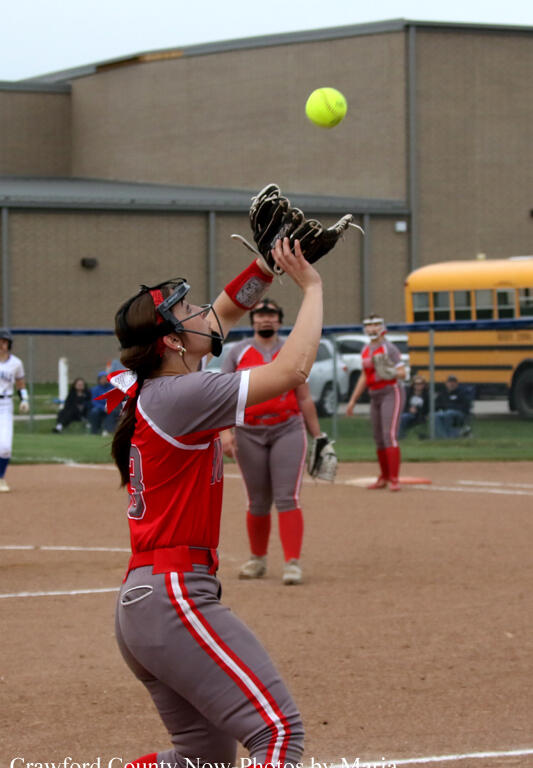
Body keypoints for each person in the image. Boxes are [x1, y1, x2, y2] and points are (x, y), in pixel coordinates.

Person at [108, 238, 324, 768]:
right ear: (172, 343)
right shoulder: (182, 394)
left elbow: (226, 308)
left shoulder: (161, 386)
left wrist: (266, 267)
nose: (204, 312)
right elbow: (293, 371)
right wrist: (312, 287)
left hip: (147, 601)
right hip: (174, 596)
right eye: (187, 312)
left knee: (200, 756)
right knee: (278, 734)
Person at [220, 297, 325, 586]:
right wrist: (225, 432)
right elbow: (223, 397)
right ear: (252, 320)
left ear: (280, 320)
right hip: (249, 431)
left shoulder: (291, 350)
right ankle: (258, 560)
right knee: (257, 501)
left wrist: (319, 437)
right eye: (260, 315)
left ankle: (292, 562)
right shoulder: (238, 352)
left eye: (271, 315)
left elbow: (303, 397)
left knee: (287, 496)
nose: (265, 320)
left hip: (287, 428)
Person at [345, 314, 406, 491]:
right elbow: (364, 375)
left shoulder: (389, 348)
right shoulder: (365, 349)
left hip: (391, 391)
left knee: (389, 435)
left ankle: (394, 479)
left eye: (376, 325)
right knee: (378, 437)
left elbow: (402, 373)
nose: (372, 329)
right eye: (369, 325)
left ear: (382, 327)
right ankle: (384, 477)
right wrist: (353, 400)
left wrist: (392, 372)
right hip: (375, 394)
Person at [0, 329, 30, 492]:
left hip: (5, 405)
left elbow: (20, 384)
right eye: (0, 341)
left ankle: (0, 478)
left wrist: (24, 400)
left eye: (5, 341)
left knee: (4, 447)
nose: (2, 344)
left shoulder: (16, 363)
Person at [88, 371, 120, 435]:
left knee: (113, 412)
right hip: (99, 408)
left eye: (106, 378)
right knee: (94, 411)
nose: (104, 380)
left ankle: (109, 430)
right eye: (102, 379)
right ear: (99, 380)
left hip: (111, 407)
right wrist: (103, 408)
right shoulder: (94, 389)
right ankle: (95, 431)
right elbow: (94, 401)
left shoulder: (114, 388)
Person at [399, 375, 429, 439]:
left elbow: (428, 407)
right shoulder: (408, 393)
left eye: (421, 383)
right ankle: (400, 435)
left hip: (420, 415)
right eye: (416, 384)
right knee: (403, 416)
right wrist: (409, 409)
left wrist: (426, 414)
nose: (418, 385)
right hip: (408, 413)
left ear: (424, 385)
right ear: (413, 385)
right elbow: (403, 405)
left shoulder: (427, 395)